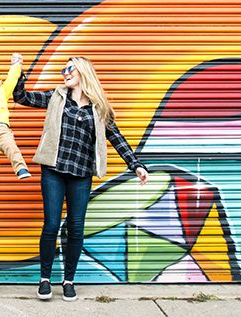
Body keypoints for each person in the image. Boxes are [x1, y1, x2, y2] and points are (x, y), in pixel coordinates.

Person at [12, 55, 149, 301]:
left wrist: (135, 165)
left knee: (76, 228)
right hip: (53, 170)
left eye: (70, 68)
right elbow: (22, 97)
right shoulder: (56, 96)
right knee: (52, 225)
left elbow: (116, 138)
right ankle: (44, 280)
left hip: (81, 174)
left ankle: (68, 280)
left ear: (83, 72)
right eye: (63, 69)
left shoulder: (99, 108)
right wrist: (17, 70)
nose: (64, 72)